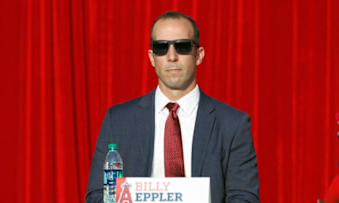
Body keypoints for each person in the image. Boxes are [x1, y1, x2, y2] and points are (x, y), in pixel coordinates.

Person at [86, 11, 259, 202]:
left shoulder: (233, 125)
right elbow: (97, 196)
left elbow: (244, 198)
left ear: (199, 55)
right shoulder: (117, 120)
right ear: (152, 58)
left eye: (182, 46)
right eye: (161, 48)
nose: (171, 56)